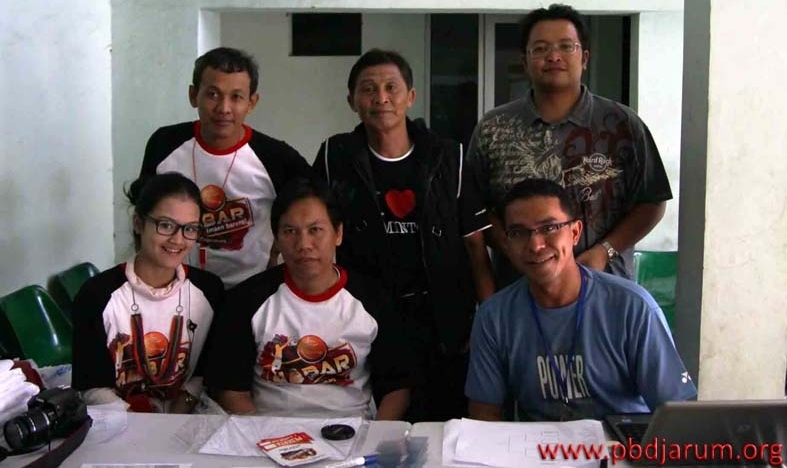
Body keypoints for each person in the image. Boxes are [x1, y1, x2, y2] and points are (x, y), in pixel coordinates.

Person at [313, 49, 494, 422]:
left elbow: (475, 244)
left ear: (410, 96)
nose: (381, 98)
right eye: (368, 89)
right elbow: (315, 229)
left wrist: (490, 319)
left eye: (391, 87)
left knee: (442, 421)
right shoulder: (335, 156)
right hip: (365, 314)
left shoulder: (450, 157)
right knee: (376, 420)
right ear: (352, 101)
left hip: (441, 317)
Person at [467, 3, 672, 284]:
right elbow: (476, 209)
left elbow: (652, 201)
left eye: (566, 46)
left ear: (584, 58)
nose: (554, 56)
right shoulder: (493, 128)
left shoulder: (622, 125)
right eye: (540, 48)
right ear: (525, 61)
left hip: (605, 287)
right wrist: (514, 250)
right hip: (521, 289)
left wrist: (605, 251)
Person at [465, 178, 696, 422]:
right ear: (507, 242)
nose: (535, 245)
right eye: (519, 233)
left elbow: (675, 413)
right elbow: (484, 414)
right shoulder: (494, 316)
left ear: (575, 232)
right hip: (538, 444)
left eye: (549, 228)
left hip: (618, 441)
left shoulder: (632, 308)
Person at [206, 177, 413, 419]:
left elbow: (397, 388)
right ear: (276, 238)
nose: (304, 244)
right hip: (266, 431)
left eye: (315, 230)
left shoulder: (373, 299)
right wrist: (263, 435)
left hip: (351, 431)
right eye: (290, 231)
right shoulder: (246, 301)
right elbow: (231, 392)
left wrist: (376, 435)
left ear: (338, 233)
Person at [139, 47, 312, 288]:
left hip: (251, 289)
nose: (224, 108)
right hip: (178, 286)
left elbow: (312, 213)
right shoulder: (164, 144)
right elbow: (144, 215)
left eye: (236, 97)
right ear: (193, 95)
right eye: (213, 94)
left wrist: (280, 256)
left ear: (252, 102)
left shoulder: (276, 157)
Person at [72, 172, 224, 413]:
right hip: (119, 422)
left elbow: (207, 370)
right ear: (138, 223)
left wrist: (180, 409)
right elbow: (91, 386)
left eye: (190, 229)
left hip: (188, 416)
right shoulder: (96, 295)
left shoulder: (210, 291)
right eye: (166, 225)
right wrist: (141, 424)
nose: (178, 239)